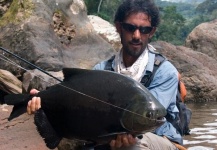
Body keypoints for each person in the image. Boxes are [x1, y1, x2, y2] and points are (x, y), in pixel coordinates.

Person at [27, 0, 185, 149]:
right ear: (118, 27)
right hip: (112, 141)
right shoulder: (101, 69)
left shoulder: (165, 71)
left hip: (160, 140)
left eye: (144, 30)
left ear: (152, 32)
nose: (137, 35)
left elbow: (148, 120)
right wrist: (43, 101)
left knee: (134, 144)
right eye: (130, 28)